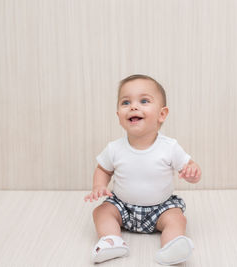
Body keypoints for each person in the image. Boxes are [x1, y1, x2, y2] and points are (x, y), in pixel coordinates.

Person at [84, 74, 201, 265]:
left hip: (160, 209)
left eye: (144, 101)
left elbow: (189, 167)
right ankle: (112, 240)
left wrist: (193, 172)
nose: (133, 106)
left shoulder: (169, 147)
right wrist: (99, 185)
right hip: (123, 207)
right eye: (125, 102)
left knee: (177, 218)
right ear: (118, 116)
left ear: (162, 114)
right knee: (101, 212)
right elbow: (103, 169)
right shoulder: (114, 148)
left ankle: (172, 245)